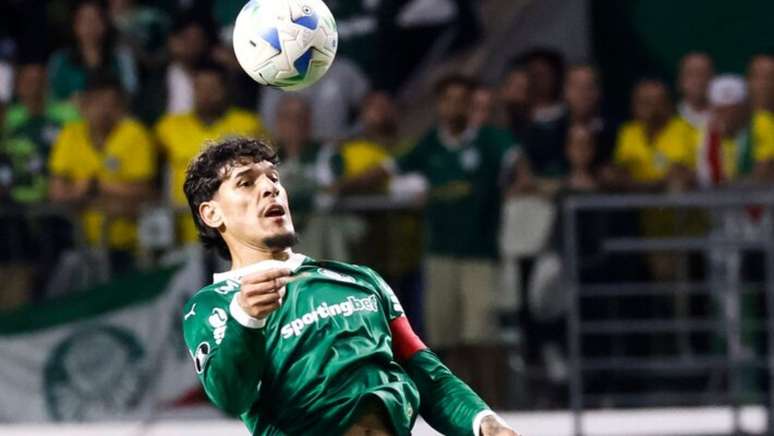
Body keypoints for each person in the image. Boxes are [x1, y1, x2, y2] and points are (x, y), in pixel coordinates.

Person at [181, 137, 519, 436]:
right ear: (211, 214)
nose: (270, 189)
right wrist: (246, 320)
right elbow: (230, 397)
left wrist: (483, 421)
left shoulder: (360, 279)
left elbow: (423, 370)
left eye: (273, 178)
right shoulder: (216, 305)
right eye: (246, 182)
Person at [335, 75, 520, 407]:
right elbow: (385, 170)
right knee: (447, 339)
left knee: (483, 338)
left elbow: (520, 168)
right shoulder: (430, 144)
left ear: (471, 104)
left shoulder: (492, 141)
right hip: (438, 255)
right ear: (439, 105)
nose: (454, 106)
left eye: (461, 99)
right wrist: (338, 189)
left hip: (480, 255)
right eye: (448, 99)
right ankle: (462, 410)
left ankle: (498, 407)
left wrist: (523, 186)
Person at [48, 71, 155, 269]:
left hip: (127, 247)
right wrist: (102, 194)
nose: (104, 111)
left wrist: (94, 186)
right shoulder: (70, 134)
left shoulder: (135, 134)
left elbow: (143, 190)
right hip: (79, 244)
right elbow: (57, 192)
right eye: (97, 103)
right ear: (84, 104)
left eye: (111, 104)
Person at [155, 61, 265, 243]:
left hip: (236, 232)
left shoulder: (248, 125)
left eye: (213, 88)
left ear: (225, 90)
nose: (206, 94)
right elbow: (152, 177)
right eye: (201, 88)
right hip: (183, 233)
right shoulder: (168, 127)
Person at [2, 63, 79, 203]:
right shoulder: (9, 118)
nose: (34, 87)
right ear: (17, 86)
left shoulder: (68, 114)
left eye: (39, 81)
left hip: (58, 192)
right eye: (28, 81)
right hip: (15, 194)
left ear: (47, 85)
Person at [603, 78, 697, 191]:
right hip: (637, 199)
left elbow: (683, 174)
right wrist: (652, 186)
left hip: (674, 200)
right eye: (642, 102)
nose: (649, 108)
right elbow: (621, 173)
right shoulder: (628, 131)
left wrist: (639, 183)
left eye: (654, 101)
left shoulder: (684, 130)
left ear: (667, 105)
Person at [48, 0, 137, 102]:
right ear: (75, 25)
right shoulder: (59, 60)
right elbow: (51, 98)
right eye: (85, 20)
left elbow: (130, 95)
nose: (91, 26)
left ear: (105, 24)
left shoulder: (122, 57)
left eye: (96, 19)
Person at [697, 74, 774, 187]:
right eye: (720, 110)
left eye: (732, 110)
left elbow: (766, 168)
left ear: (744, 109)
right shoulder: (702, 129)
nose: (726, 117)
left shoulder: (762, 123)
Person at [676, 52, 713, 129]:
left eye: (703, 74)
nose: (697, 80)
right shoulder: (671, 116)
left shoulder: (724, 119)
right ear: (680, 80)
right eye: (691, 74)